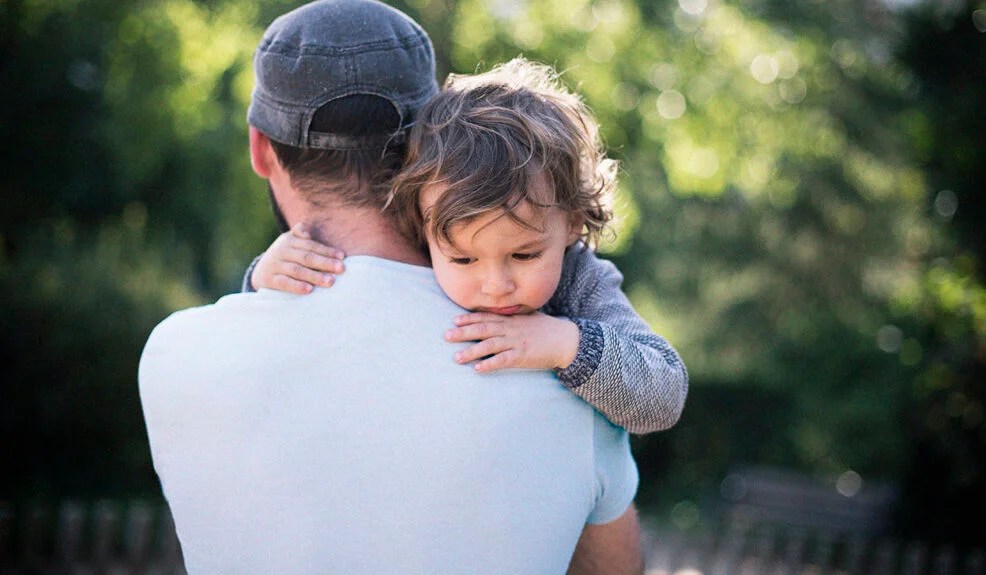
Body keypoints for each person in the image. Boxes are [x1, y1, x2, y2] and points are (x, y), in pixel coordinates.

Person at [138, 0, 643, 573]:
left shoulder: (173, 355)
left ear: (259, 149)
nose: (496, 282)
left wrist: (257, 280)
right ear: (431, 148)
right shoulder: (567, 372)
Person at [244, 58, 688, 435]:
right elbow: (296, 335)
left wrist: (567, 343)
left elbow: (664, 395)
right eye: (463, 259)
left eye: (525, 255)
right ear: (421, 227)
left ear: (571, 223)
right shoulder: (414, 261)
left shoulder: (579, 283)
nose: (495, 285)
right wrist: (263, 279)